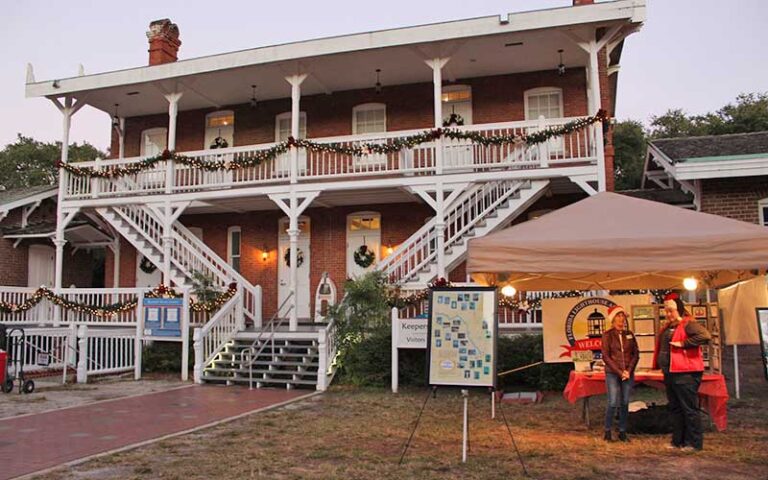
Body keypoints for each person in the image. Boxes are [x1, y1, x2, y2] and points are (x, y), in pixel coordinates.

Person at [653, 293, 711, 451]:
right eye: (666, 311)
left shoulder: (688, 324)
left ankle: (694, 443)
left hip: (685, 374)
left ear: (678, 309)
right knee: (676, 408)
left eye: (671, 310)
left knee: (689, 408)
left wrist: (684, 344)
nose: (668, 314)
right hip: (671, 373)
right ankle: (678, 441)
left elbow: (705, 336)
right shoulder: (669, 327)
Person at [601, 305, 639, 442]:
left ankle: (622, 431)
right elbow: (606, 356)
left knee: (625, 402)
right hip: (612, 372)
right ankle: (607, 430)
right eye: (618, 317)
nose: (621, 320)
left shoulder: (629, 334)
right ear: (613, 320)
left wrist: (628, 371)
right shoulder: (607, 335)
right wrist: (619, 371)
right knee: (612, 402)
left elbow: (636, 354)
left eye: (623, 317)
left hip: (627, 372)